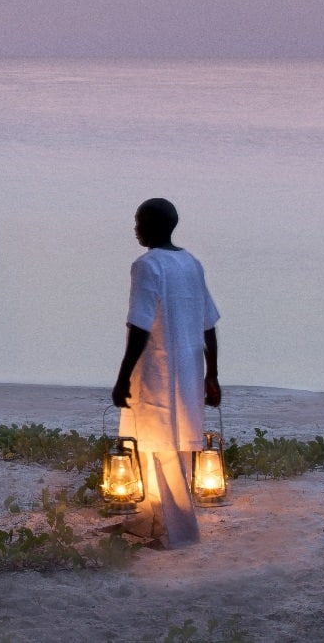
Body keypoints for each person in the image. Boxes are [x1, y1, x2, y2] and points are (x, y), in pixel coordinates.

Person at [109, 197, 221, 548]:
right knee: (163, 442)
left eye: (139, 222)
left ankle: (180, 533)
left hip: (157, 370)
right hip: (188, 368)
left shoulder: (147, 266)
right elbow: (209, 325)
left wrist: (123, 376)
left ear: (154, 226)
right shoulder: (191, 263)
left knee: (162, 445)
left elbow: (140, 324)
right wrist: (212, 373)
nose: (135, 228)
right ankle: (151, 520)